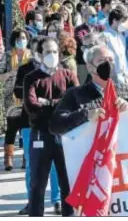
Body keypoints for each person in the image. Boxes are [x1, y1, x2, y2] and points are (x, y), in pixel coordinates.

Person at [23, 37, 79, 216]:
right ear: (39, 54)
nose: (52, 55)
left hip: (65, 136)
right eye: (48, 52)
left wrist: (46, 102)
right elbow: (31, 106)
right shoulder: (31, 79)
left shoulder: (68, 75)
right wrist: (60, 103)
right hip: (41, 135)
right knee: (37, 185)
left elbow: (76, 104)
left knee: (67, 184)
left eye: (55, 51)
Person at [14, 36, 61, 215]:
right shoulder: (26, 71)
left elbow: (65, 98)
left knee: (56, 166)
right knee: (31, 166)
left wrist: (45, 101)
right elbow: (19, 93)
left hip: (55, 124)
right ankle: (31, 201)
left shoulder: (59, 72)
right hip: (29, 124)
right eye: (39, 51)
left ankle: (56, 200)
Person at [52, 45, 128, 136]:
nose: (108, 64)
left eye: (110, 60)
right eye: (102, 60)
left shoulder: (126, 90)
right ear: (89, 66)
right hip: (90, 148)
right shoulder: (75, 94)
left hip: (123, 147)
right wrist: (86, 115)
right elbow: (55, 125)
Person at [3, 29, 32, 172]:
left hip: (27, 97)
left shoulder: (31, 57)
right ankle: (8, 158)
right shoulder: (8, 57)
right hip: (11, 98)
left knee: (26, 127)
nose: (21, 40)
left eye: (24, 38)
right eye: (19, 38)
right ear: (14, 40)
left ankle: (26, 157)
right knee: (12, 128)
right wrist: (11, 73)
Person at [74, 6, 105, 84]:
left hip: (97, 63)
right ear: (85, 16)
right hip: (83, 63)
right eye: (92, 15)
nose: (95, 17)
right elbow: (83, 41)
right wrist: (95, 40)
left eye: (95, 15)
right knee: (83, 84)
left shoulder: (99, 28)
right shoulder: (79, 29)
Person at [103, 8, 128, 87]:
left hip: (125, 75)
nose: (124, 25)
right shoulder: (105, 36)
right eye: (122, 21)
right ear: (115, 21)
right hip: (114, 76)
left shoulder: (122, 36)